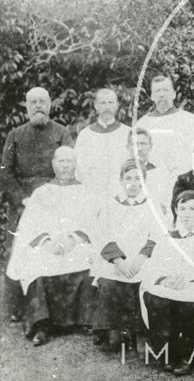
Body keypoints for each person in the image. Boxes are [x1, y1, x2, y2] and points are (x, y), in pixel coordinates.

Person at [6, 146, 97, 346]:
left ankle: (84, 320)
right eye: (61, 161)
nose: (65, 166)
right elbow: (29, 225)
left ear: (75, 164)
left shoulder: (85, 191)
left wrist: (73, 239)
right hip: (47, 244)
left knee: (86, 258)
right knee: (38, 262)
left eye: (69, 161)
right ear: (53, 164)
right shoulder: (41, 192)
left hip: (76, 243)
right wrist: (46, 242)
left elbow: (92, 222)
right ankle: (42, 324)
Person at [1, 87, 74, 322]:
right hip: (22, 203)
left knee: (56, 250)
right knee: (17, 250)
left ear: (50, 105)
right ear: (26, 106)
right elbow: (5, 172)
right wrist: (22, 198)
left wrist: (51, 196)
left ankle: (54, 309)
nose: (38, 106)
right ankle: (16, 307)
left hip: (54, 201)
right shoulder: (15, 135)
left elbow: (68, 167)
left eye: (42, 101)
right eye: (33, 102)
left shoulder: (62, 133)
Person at [140, 191, 194, 375]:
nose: (186, 213)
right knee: (157, 300)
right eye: (182, 208)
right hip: (170, 286)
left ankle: (186, 355)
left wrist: (193, 282)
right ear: (175, 210)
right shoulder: (168, 238)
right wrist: (165, 280)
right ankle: (168, 353)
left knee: (192, 305)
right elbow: (155, 266)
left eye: (192, 208)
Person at [92, 159, 164, 353]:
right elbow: (102, 234)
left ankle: (140, 331)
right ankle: (114, 329)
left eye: (138, 178)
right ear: (121, 180)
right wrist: (119, 261)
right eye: (128, 178)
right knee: (109, 282)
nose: (133, 183)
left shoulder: (152, 205)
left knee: (147, 282)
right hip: (117, 260)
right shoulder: (111, 204)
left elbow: (156, 235)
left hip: (143, 260)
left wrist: (140, 259)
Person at [74, 88, 131, 201]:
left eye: (110, 103)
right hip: (93, 193)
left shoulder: (127, 133)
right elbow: (80, 168)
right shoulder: (85, 135)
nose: (107, 107)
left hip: (120, 192)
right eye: (103, 103)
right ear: (95, 106)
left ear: (117, 105)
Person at [137, 75, 194, 179]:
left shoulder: (189, 119)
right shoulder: (143, 123)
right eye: (157, 91)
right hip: (153, 178)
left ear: (173, 94)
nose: (161, 94)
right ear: (151, 96)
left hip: (182, 178)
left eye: (165, 90)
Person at [126, 127, 173, 215]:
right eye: (135, 144)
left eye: (143, 144)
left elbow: (165, 207)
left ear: (150, 147)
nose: (139, 148)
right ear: (128, 147)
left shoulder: (162, 174)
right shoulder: (120, 175)